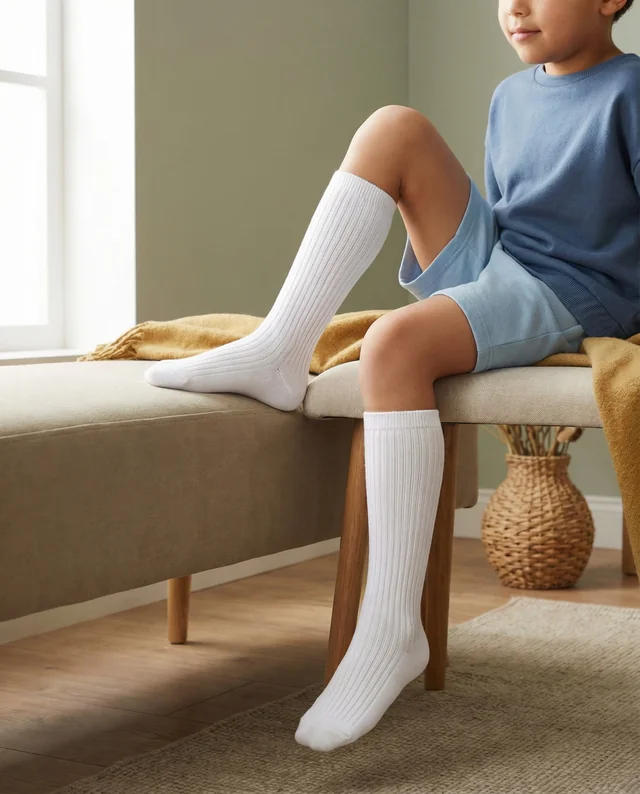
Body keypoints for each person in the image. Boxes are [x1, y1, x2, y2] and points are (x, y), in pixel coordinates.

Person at [145, 0, 639, 752]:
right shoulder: (512, 96)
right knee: (391, 127)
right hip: (508, 261)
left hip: (577, 290)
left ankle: (391, 625)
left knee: (394, 344)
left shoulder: (631, 92)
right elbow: (508, 220)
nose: (515, 6)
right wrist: (479, 280)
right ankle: (282, 349)